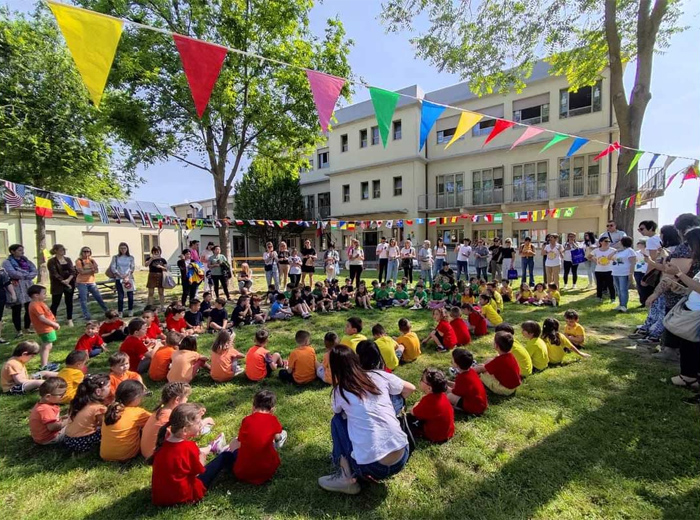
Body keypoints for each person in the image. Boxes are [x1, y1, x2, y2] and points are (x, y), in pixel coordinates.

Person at [318, 346, 414, 495]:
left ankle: (345, 476)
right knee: (395, 395)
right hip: (403, 454)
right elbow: (410, 388)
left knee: (337, 420)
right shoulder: (379, 375)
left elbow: (337, 411)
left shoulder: (341, 390)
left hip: (373, 467)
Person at [149, 402, 226, 506]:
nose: (201, 425)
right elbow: (199, 471)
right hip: (183, 497)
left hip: (161, 498)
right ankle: (223, 451)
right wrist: (202, 459)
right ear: (185, 430)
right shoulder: (189, 447)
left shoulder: (163, 443)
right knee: (225, 457)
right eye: (199, 423)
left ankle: (211, 447)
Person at [663, 228, 700, 389]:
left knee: (691, 346)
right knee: (688, 346)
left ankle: (689, 377)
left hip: (696, 315)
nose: (689, 249)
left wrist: (679, 274)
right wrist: (683, 289)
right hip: (692, 309)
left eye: (691, 244)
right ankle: (690, 375)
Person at [100, 379, 151, 462]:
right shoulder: (137, 412)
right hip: (127, 456)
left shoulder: (110, 410)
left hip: (105, 455)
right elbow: (154, 421)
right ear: (135, 397)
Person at [64, 373, 110, 453]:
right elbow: (105, 424)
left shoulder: (78, 402)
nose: (110, 388)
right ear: (98, 391)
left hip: (68, 440)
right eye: (108, 386)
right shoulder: (98, 408)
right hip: (81, 442)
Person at [408, 368, 454, 443]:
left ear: (429, 388)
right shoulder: (442, 395)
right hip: (448, 432)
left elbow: (413, 412)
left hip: (435, 436)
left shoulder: (429, 401)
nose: (420, 381)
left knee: (409, 419)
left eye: (422, 380)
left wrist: (416, 404)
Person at [3, 244, 38, 336]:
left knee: (29, 307)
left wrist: (26, 275)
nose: (22, 252)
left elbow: (34, 270)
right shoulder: (7, 262)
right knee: (17, 309)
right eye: (19, 250)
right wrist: (26, 274)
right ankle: (19, 330)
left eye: (22, 250)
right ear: (12, 251)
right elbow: (12, 273)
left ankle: (27, 327)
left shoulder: (26, 260)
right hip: (16, 286)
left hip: (28, 285)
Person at [474, 331, 521, 395]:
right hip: (514, 386)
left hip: (506, 389)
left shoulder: (498, 361)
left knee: (482, 375)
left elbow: (481, 369)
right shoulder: (510, 356)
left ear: (496, 346)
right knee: (488, 363)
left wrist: (470, 369)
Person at [27, 284, 60, 370]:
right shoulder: (35, 305)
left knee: (45, 345)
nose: (46, 295)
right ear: (36, 295)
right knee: (47, 346)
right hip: (45, 328)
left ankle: (44, 363)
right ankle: (44, 366)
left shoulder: (38, 303)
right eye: (44, 293)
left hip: (46, 328)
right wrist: (54, 324)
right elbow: (42, 318)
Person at [446, 348, 488, 415]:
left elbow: (455, 391)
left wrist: (445, 387)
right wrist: (448, 382)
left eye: (452, 360)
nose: (451, 361)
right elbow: (460, 386)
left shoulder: (462, 377)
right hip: (482, 404)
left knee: (449, 396)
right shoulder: (472, 372)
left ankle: (461, 409)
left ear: (457, 364)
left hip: (475, 408)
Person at [29, 377, 68, 445]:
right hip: (49, 438)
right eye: (61, 395)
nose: (64, 396)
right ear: (48, 397)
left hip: (41, 437)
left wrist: (61, 419)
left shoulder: (42, 405)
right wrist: (68, 421)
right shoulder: (46, 409)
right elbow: (52, 427)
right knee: (75, 425)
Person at [47, 244, 76, 328]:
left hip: (69, 282)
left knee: (69, 302)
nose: (63, 251)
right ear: (55, 250)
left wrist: (68, 280)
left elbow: (72, 271)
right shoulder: (52, 261)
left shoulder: (68, 259)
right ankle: (52, 320)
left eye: (64, 249)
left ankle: (69, 319)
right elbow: (54, 273)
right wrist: (63, 281)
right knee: (55, 303)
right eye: (61, 250)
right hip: (57, 284)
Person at [110, 242, 136, 317]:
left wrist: (127, 276)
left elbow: (132, 267)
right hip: (119, 278)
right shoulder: (115, 257)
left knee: (130, 296)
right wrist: (120, 275)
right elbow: (113, 267)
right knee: (120, 296)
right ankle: (120, 311)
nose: (123, 250)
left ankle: (130, 310)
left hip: (129, 278)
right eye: (121, 248)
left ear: (127, 249)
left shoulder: (131, 257)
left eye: (124, 248)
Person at [612, 236, 637, 312]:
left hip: (624, 273)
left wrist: (631, 273)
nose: (619, 243)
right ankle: (620, 304)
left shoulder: (630, 251)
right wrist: (616, 251)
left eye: (620, 241)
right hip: (616, 272)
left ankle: (624, 305)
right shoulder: (620, 251)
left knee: (623, 289)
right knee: (618, 289)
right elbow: (610, 257)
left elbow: (633, 262)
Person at [592, 236, 617, 302]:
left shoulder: (612, 250)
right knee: (599, 285)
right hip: (598, 270)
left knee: (610, 285)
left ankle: (613, 298)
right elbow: (589, 256)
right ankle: (599, 297)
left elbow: (615, 259)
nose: (607, 243)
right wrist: (595, 260)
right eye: (606, 241)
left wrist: (612, 258)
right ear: (601, 242)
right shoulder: (596, 250)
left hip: (609, 270)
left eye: (609, 241)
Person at [634, 239, 651, 306]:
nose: (639, 245)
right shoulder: (636, 253)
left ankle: (648, 300)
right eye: (638, 244)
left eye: (640, 244)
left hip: (646, 270)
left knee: (647, 286)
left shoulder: (648, 252)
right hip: (638, 270)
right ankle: (642, 301)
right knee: (639, 286)